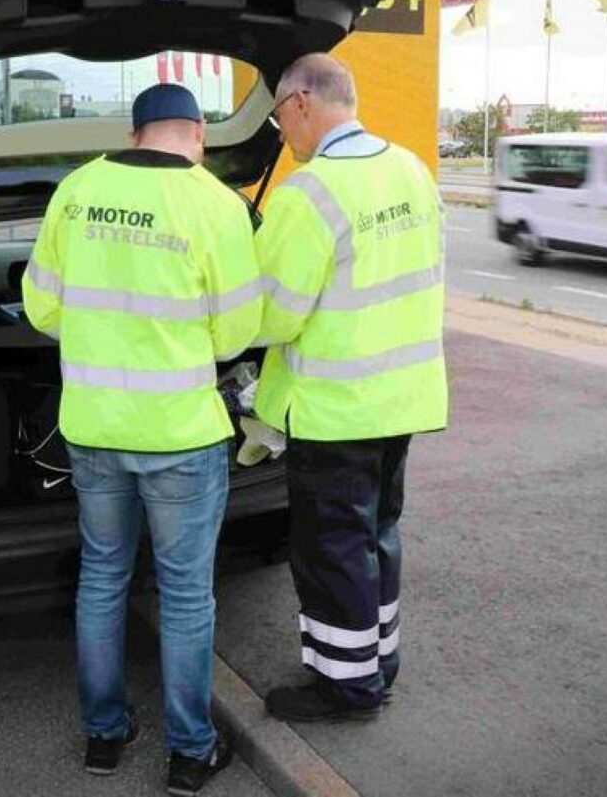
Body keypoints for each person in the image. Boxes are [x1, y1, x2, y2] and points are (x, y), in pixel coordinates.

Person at [23, 83, 260, 795]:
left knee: (103, 576)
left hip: (93, 425)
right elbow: (239, 332)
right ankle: (190, 751)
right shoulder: (216, 203)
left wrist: (103, 337)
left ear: (134, 134)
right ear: (196, 133)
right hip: (181, 434)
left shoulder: (77, 190)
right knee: (186, 594)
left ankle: (104, 735)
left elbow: (41, 307)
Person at [253, 53, 448, 721]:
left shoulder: (309, 193)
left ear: (302, 102)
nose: (282, 133)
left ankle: (347, 685)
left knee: (330, 551)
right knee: (377, 537)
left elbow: (274, 312)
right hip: (402, 402)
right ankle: (378, 658)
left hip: (335, 411)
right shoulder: (412, 170)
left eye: (279, 118)